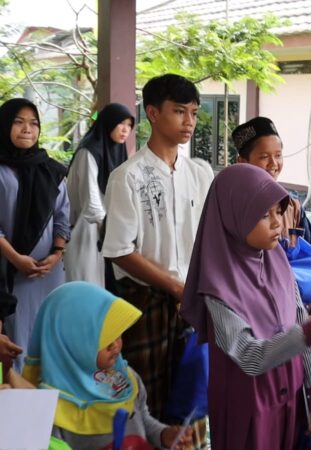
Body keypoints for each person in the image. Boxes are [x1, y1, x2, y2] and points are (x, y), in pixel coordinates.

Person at [181, 163, 311, 449]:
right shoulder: (219, 289)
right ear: (234, 218)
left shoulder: (278, 262)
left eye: (278, 211)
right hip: (249, 414)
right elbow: (250, 357)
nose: (277, 223)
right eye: (264, 215)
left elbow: (301, 321)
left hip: (292, 401)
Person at [101, 74, 214, 434]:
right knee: (147, 395)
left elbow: (211, 237)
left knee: (192, 394)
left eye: (194, 112)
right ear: (152, 112)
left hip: (192, 298)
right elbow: (119, 250)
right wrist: (174, 286)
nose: (189, 121)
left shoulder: (200, 173)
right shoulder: (128, 176)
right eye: (179, 111)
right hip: (145, 301)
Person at [21, 281, 193, 450]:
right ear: (70, 343)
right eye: (103, 339)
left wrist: (163, 434)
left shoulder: (125, 378)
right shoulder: (50, 407)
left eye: (117, 334)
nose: (115, 345)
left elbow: (143, 421)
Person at [0, 98, 70, 371]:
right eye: (18, 122)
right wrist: (16, 259)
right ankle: (20, 393)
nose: (27, 129)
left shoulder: (51, 170)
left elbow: (63, 215)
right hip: (11, 273)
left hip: (48, 274)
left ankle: (50, 396)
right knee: (18, 342)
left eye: (33, 123)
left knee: (50, 338)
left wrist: (57, 253)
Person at [65, 103, 134, 288]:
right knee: (89, 289)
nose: (125, 130)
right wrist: (112, 232)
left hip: (109, 231)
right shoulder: (88, 152)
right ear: (108, 122)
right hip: (88, 229)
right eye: (121, 123)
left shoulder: (117, 150)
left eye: (129, 125)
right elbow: (92, 202)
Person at [232, 116, 311, 251]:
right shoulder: (234, 208)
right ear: (242, 161)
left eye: (278, 155)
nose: (274, 164)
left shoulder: (292, 206)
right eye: (264, 157)